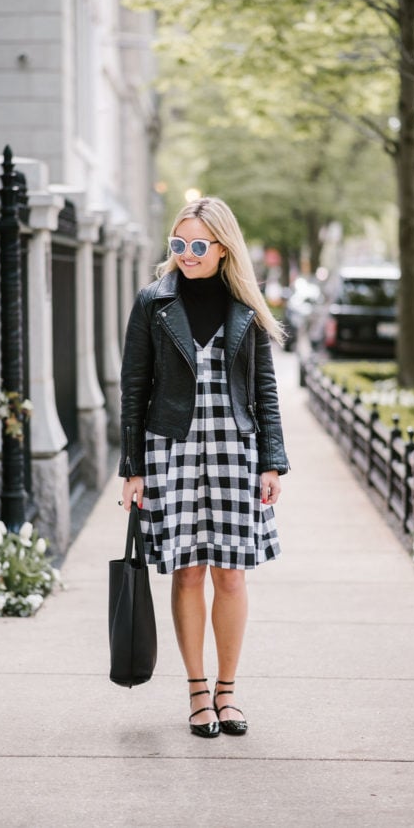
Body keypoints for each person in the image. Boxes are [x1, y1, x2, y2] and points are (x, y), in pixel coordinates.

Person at [119, 196, 289, 738]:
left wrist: (272, 462)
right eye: (178, 244)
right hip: (171, 446)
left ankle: (228, 691)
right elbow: (134, 389)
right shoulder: (153, 302)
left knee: (231, 575)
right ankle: (197, 691)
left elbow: (265, 389)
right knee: (188, 570)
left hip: (234, 448)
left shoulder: (246, 305)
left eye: (197, 246)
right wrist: (132, 468)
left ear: (222, 248)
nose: (186, 255)